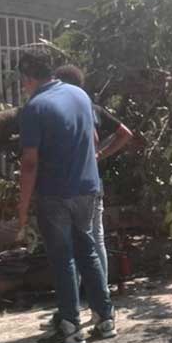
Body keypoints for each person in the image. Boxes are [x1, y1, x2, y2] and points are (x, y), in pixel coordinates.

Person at [17, 51, 116, 343]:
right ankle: (105, 318)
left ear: (28, 78)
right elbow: (94, 140)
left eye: (22, 81)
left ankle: (70, 328)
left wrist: (22, 211)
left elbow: (30, 164)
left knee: (63, 259)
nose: (22, 86)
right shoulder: (80, 95)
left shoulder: (34, 108)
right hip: (88, 188)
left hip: (55, 194)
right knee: (88, 252)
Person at [53, 64, 134, 282]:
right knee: (95, 237)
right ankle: (100, 290)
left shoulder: (63, 110)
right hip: (93, 181)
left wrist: (98, 154)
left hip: (70, 184)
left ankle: (80, 292)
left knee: (72, 239)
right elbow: (125, 134)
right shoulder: (92, 107)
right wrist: (99, 156)